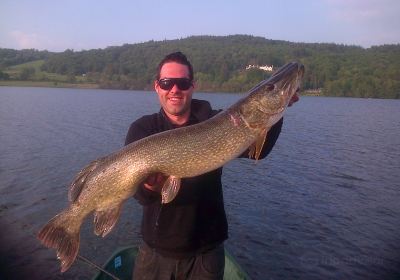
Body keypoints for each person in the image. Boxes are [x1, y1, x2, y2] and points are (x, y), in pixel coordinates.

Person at [125, 52, 299, 280]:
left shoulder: (219, 120)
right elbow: (141, 196)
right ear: (157, 87)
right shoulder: (142, 130)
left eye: (183, 83)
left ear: (192, 86)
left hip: (206, 254)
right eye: (167, 83)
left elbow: (260, 152)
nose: (175, 90)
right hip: (156, 254)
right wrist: (150, 187)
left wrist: (278, 111)